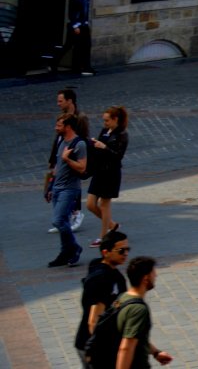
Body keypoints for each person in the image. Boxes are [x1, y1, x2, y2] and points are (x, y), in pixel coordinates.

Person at [75, 228, 129, 365]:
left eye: (128, 249)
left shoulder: (100, 266)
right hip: (98, 346)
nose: (126, 254)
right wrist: (99, 350)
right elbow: (93, 320)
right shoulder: (103, 279)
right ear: (106, 252)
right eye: (121, 251)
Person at [47, 112, 89, 266]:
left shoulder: (79, 144)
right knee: (63, 221)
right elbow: (57, 167)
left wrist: (67, 159)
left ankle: (75, 248)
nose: (55, 128)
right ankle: (65, 252)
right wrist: (50, 187)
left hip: (70, 189)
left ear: (68, 126)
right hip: (58, 188)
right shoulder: (61, 141)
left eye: (59, 125)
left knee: (58, 220)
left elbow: (82, 167)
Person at [84, 106, 128, 243]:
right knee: (90, 204)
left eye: (107, 120)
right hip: (100, 171)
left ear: (116, 120)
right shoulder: (105, 131)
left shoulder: (122, 135)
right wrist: (93, 145)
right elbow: (98, 149)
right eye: (104, 120)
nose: (105, 123)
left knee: (104, 204)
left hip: (111, 173)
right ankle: (112, 225)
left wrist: (104, 148)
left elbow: (118, 156)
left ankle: (104, 237)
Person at [60, 0, 94, 76]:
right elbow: (72, 13)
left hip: (84, 25)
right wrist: (75, 26)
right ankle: (54, 63)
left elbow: (86, 12)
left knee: (87, 45)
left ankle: (86, 67)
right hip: (77, 26)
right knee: (70, 46)